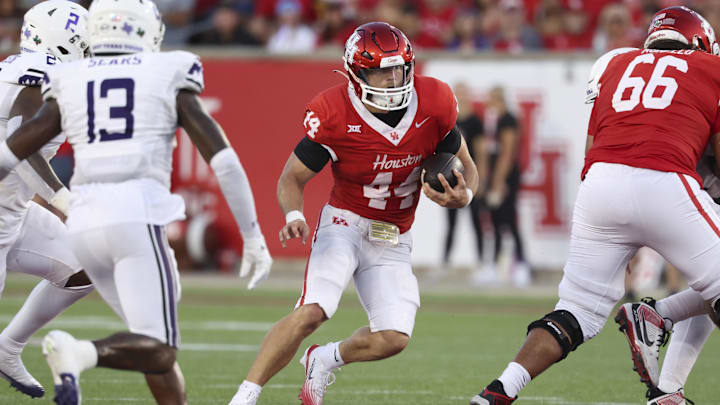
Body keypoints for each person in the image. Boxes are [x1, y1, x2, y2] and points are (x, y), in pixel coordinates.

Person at [0, 0, 273, 404]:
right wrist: (252, 235)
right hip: (129, 215)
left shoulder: (62, 76)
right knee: (158, 343)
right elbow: (225, 160)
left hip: (61, 215)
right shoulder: (155, 71)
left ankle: (8, 348)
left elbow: (12, 150)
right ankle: (79, 353)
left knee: (87, 278)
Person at [470, 6, 720, 404]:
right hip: (665, 181)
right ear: (702, 45)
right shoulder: (710, 69)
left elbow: (592, 147)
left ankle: (498, 391)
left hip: (600, 185)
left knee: (577, 312)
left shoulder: (614, 62)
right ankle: (659, 319)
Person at [229, 21, 479, 405]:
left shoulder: (435, 103)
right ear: (355, 72)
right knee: (313, 310)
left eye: (398, 68)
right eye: (380, 71)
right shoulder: (333, 111)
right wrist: (294, 215)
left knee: (394, 337)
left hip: (393, 234)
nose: (392, 79)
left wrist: (466, 195)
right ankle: (245, 396)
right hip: (345, 223)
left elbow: (468, 166)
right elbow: (291, 177)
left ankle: (324, 359)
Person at [0, 0, 96, 399]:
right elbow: (21, 146)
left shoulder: (16, 66)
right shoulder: (41, 75)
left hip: (12, 212)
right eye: (86, 43)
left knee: (85, 265)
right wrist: (64, 201)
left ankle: (7, 347)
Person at [473, 85, 529, 287]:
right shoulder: (495, 121)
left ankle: (521, 264)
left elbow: (507, 154)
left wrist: (498, 182)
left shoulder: (508, 121)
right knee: (495, 222)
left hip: (505, 178)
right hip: (497, 177)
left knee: (509, 221)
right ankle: (495, 266)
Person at [442, 82, 485, 269]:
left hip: (469, 177)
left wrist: (479, 178)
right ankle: (446, 261)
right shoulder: (449, 120)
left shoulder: (475, 122)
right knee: (450, 222)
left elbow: (481, 152)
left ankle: (482, 261)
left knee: (476, 220)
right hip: (451, 178)